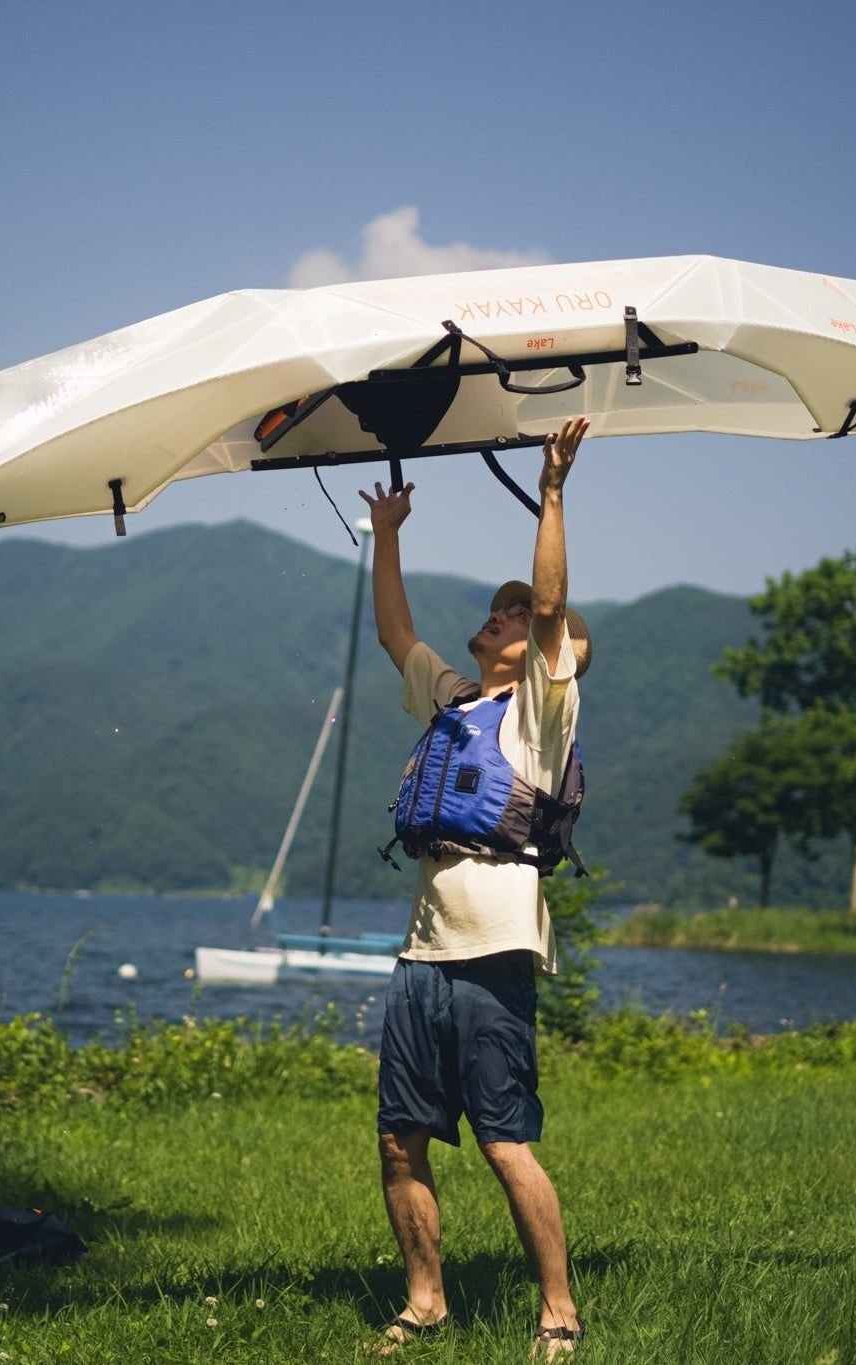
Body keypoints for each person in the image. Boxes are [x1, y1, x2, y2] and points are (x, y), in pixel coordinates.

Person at [358, 416, 591, 1359]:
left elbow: (547, 604)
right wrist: (387, 535)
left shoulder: (543, 708)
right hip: (421, 957)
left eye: (512, 612)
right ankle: (426, 1303)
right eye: (494, 608)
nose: (500, 614)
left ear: (553, 650)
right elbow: (394, 630)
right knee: (398, 1142)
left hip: (493, 955)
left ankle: (560, 1310)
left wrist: (552, 489)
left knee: (504, 1143)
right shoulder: (455, 700)